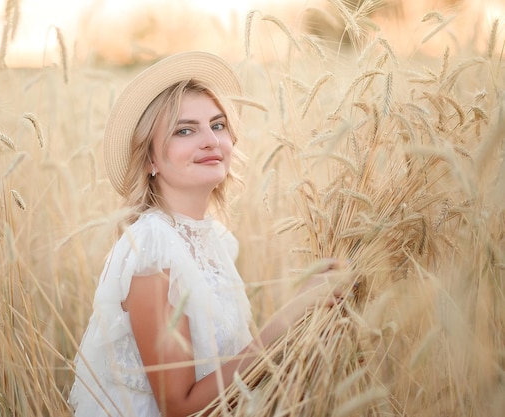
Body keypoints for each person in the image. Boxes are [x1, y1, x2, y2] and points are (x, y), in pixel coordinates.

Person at [69, 51, 352, 417]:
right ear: (151, 160)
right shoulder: (152, 247)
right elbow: (178, 406)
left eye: (217, 126)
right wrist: (286, 320)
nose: (210, 140)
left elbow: (230, 372)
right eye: (184, 130)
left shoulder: (214, 240)